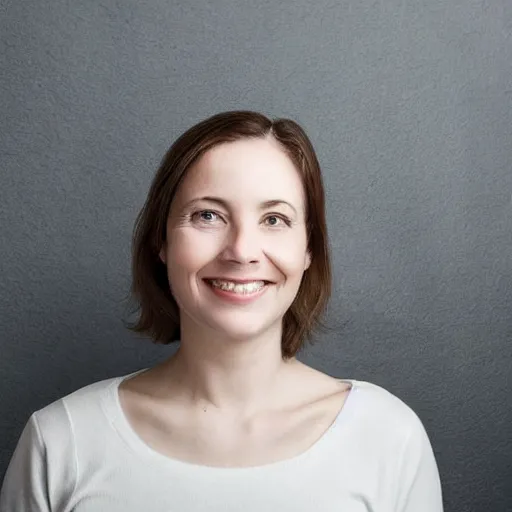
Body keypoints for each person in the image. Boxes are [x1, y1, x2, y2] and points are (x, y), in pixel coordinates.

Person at [0, 111, 443, 511]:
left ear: (309, 249)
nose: (242, 251)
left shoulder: (388, 438)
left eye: (274, 219)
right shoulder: (60, 443)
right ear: (162, 241)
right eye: (208, 216)